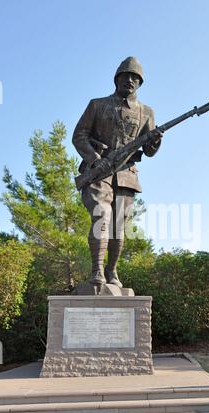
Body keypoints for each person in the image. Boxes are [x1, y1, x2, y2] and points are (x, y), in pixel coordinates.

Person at [72, 57, 162, 288]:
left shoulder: (147, 112)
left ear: (140, 83)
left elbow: (149, 151)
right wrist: (95, 159)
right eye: (125, 76)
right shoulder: (97, 105)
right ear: (117, 79)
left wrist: (155, 142)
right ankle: (97, 271)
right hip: (98, 173)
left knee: (118, 227)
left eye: (135, 78)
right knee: (101, 216)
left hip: (126, 175)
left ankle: (112, 271)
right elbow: (79, 135)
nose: (129, 81)